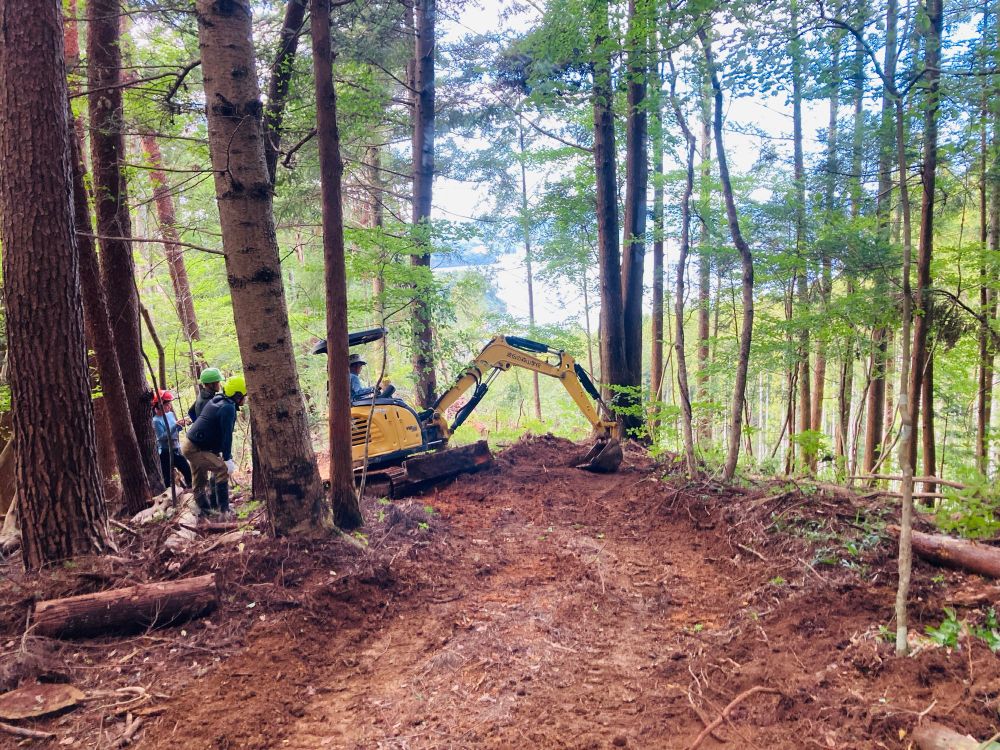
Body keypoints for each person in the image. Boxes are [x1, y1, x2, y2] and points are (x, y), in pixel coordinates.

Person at [182, 374, 246, 517]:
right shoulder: (228, 408)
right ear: (238, 395)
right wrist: (227, 458)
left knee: (200, 478)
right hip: (195, 448)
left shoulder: (218, 399)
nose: (245, 399)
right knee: (222, 469)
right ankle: (223, 510)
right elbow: (227, 435)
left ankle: (207, 509)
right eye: (244, 395)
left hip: (192, 444)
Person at [152, 390, 193, 489]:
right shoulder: (156, 420)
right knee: (167, 477)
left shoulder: (170, 414)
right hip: (165, 452)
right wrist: (175, 426)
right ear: (159, 405)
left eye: (169, 404)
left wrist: (180, 425)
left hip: (176, 448)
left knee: (187, 470)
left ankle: (191, 489)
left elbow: (174, 431)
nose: (169, 406)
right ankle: (169, 494)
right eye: (167, 405)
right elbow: (161, 437)